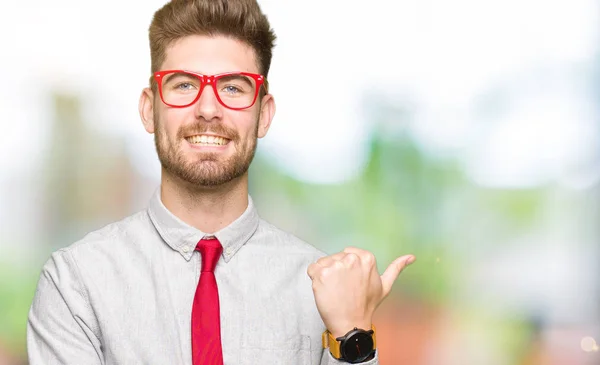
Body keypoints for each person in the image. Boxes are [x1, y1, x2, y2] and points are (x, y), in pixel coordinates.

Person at [27, 0, 415, 364]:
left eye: (232, 88)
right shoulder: (75, 284)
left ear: (263, 115)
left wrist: (352, 336)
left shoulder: (320, 289)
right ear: (149, 109)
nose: (208, 109)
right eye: (183, 85)